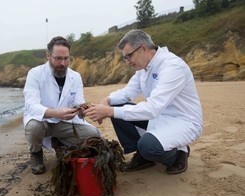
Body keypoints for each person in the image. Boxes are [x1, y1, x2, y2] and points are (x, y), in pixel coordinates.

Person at [84, 30, 203, 174]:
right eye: (125, 58)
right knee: (115, 106)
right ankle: (143, 156)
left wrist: (108, 111)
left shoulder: (172, 66)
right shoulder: (143, 68)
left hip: (182, 120)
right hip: (158, 116)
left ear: (143, 48)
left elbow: (153, 108)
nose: (127, 62)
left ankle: (178, 154)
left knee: (148, 146)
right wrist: (106, 101)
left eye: (129, 56)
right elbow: (128, 92)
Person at [23, 36, 100, 175]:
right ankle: (36, 154)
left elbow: (78, 101)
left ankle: (60, 142)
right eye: (58, 58)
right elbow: (31, 106)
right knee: (33, 127)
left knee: (93, 135)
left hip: (64, 123)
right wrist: (55, 113)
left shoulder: (75, 76)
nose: (63, 63)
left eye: (66, 58)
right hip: (43, 122)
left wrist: (82, 110)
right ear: (48, 55)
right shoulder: (35, 74)